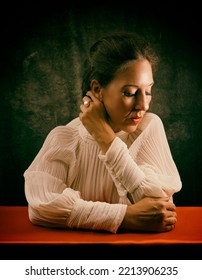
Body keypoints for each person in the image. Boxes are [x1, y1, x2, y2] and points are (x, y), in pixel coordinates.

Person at [24, 32, 182, 234]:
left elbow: (159, 209)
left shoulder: (148, 128)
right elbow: (41, 207)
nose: (143, 105)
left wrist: (106, 138)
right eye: (130, 93)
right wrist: (124, 217)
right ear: (98, 89)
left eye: (148, 91)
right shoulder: (64, 139)